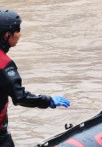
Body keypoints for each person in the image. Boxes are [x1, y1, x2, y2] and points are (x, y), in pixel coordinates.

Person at [0, 11, 68, 147]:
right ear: (7, 34)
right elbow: (20, 97)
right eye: (18, 30)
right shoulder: (4, 65)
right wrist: (49, 101)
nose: (20, 34)